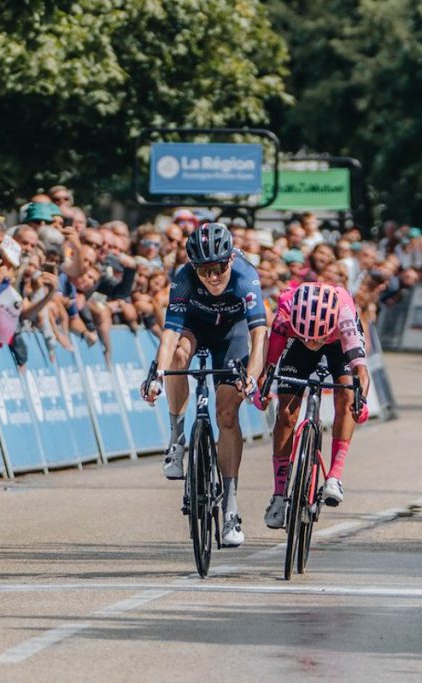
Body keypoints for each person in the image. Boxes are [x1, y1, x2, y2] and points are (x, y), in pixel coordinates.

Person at [141, 222, 267, 548]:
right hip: (194, 328)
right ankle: (177, 438)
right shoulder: (183, 278)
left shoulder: (245, 276)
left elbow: (258, 335)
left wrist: (251, 377)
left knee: (227, 414)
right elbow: (170, 334)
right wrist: (158, 375)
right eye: (204, 270)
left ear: (230, 260)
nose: (212, 277)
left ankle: (230, 508)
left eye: (218, 268)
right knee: (178, 357)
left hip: (231, 335)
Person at [254, 282, 370, 529]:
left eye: (318, 339)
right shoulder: (286, 311)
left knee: (347, 396)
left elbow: (361, 370)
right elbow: (269, 365)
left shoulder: (344, 313)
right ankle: (279, 495)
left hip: (337, 343)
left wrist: (362, 400)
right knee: (286, 413)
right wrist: (262, 389)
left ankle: (334, 476)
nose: (314, 343)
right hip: (296, 345)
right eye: (309, 338)